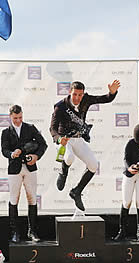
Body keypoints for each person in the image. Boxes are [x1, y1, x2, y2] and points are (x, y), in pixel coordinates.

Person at [50, 80, 121, 211]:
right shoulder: (60, 107)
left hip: (78, 138)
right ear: (70, 92)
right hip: (64, 141)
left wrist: (112, 93)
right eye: (75, 94)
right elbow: (52, 128)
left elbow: (104, 99)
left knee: (94, 165)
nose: (77, 98)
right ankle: (63, 172)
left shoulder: (86, 99)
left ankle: (76, 191)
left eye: (80, 95)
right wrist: (59, 139)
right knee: (69, 157)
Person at [1, 105, 48, 243]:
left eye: (20, 117)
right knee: (13, 199)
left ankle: (32, 231)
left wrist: (36, 156)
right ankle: (15, 232)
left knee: (32, 198)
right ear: (10, 117)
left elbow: (43, 144)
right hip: (14, 169)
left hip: (30, 168)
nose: (18, 120)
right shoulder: (6, 132)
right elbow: (4, 150)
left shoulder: (30, 128)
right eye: (15, 118)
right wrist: (11, 154)